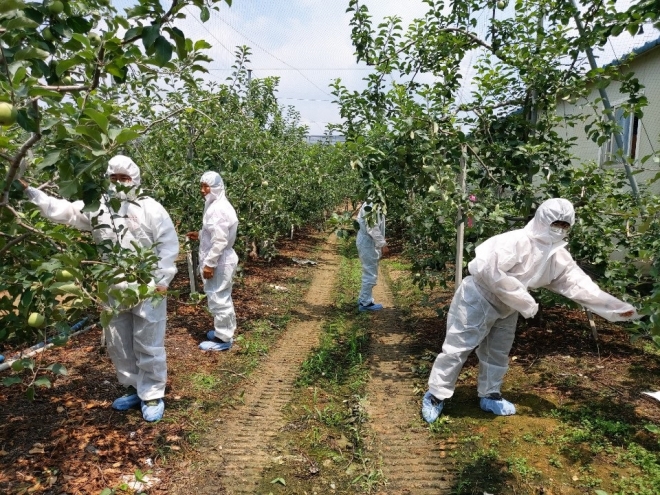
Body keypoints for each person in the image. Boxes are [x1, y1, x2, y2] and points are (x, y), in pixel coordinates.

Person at [421, 198, 638, 423]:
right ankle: (436, 395)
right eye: (556, 223)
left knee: (498, 350)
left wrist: (616, 308)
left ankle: (490, 394)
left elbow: (577, 284)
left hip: (510, 305)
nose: (560, 229)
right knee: (458, 347)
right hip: (479, 298)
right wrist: (525, 300)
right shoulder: (515, 241)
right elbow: (490, 271)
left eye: (565, 225)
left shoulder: (556, 253)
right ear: (543, 219)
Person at [20, 155, 179, 422]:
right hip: (113, 283)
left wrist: (162, 281)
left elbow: (168, 245)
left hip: (146, 284)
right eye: (113, 178)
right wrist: (30, 192)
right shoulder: (99, 206)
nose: (118, 183)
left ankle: (151, 392)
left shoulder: (150, 208)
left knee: (148, 339)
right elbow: (67, 212)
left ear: (135, 179)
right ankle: (132, 387)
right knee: (118, 340)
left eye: (124, 178)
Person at [186, 172, 239, 351]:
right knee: (221, 296)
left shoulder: (217, 209)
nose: (202, 191)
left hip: (219, 260)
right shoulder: (217, 205)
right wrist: (200, 235)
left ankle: (223, 338)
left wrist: (210, 264)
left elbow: (220, 241)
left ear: (215, 187)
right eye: (201, 186)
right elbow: (214, 234)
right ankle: (224, 331)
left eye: (205, 186)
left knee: (218, 298)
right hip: (222, 259)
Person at [356, 201, 389, 311]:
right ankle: (366, 303)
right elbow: (372, 227)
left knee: (368, 271)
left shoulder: (373, 202)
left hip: (367, 241)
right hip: (368, 242)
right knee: (370, 273)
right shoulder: (372, 204)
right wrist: (382, 243)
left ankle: (363, 298)